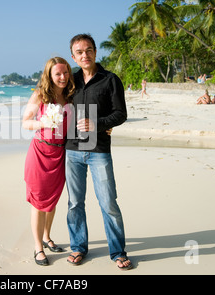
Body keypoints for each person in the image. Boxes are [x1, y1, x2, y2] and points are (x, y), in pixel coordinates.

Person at [65, 33, 133, 270]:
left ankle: (117, 251)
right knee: (75, 203)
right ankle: (78, 247)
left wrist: (99, 124)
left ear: (95, 51)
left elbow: (120, 113)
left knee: (108, 203)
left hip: (99, 151)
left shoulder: (110, 79)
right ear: (73, 56)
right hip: (72, 150)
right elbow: (50, 100)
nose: (85, 55)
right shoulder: (70, 81)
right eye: (80, 52)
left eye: (89, 50)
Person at [22, 57, 75, 266]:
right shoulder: (40, 95)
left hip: (60, 154)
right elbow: (25, 123)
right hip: (39, 153)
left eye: (65, 73)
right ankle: (38, 247)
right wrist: (41, 122)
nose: (62, 77)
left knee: (51, 202)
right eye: (57, 74)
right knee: (38, 202)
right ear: (49, 76)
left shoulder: (71, 97)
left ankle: (47, 237)